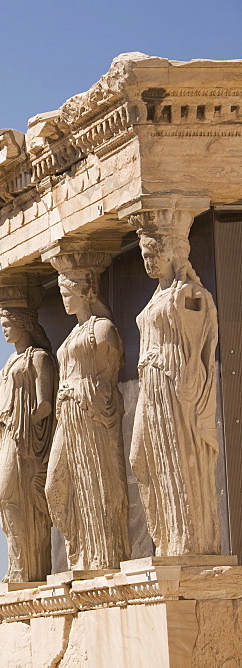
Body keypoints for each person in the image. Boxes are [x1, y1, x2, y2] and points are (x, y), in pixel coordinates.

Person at [131, 231, 220, 556]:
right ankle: (166, 536)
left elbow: (198, 342)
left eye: (153, 253)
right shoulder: (159, 296)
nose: (148, 260)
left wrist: (189, 381)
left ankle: (186, 541)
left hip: (173, 381)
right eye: (144, 254)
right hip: (151, 381)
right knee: (141, 459)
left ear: (172, 253)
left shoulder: (189, 292)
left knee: (178, 456)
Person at [45, 267, 130, 570]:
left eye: (68, 294)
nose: (64, 300)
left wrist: (84, 395)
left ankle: (103, 554)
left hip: (91, 413)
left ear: (85, 293)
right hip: (68, 414)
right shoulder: (72, 335)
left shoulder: (103, 329)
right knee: (55, 486)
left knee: (97, 482)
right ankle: (78, 548)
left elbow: (109, 376)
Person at [0, 307, 57, 582]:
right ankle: (18, 565)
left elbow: (44, 403)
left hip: (24, 437)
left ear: (23, 323)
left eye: (8, 323)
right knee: (6, 499)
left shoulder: (38, 358)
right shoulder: (8, 362)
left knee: (11, 497)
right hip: (6, 435)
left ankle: (29, 568)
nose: (4, 328)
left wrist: (26, 424)